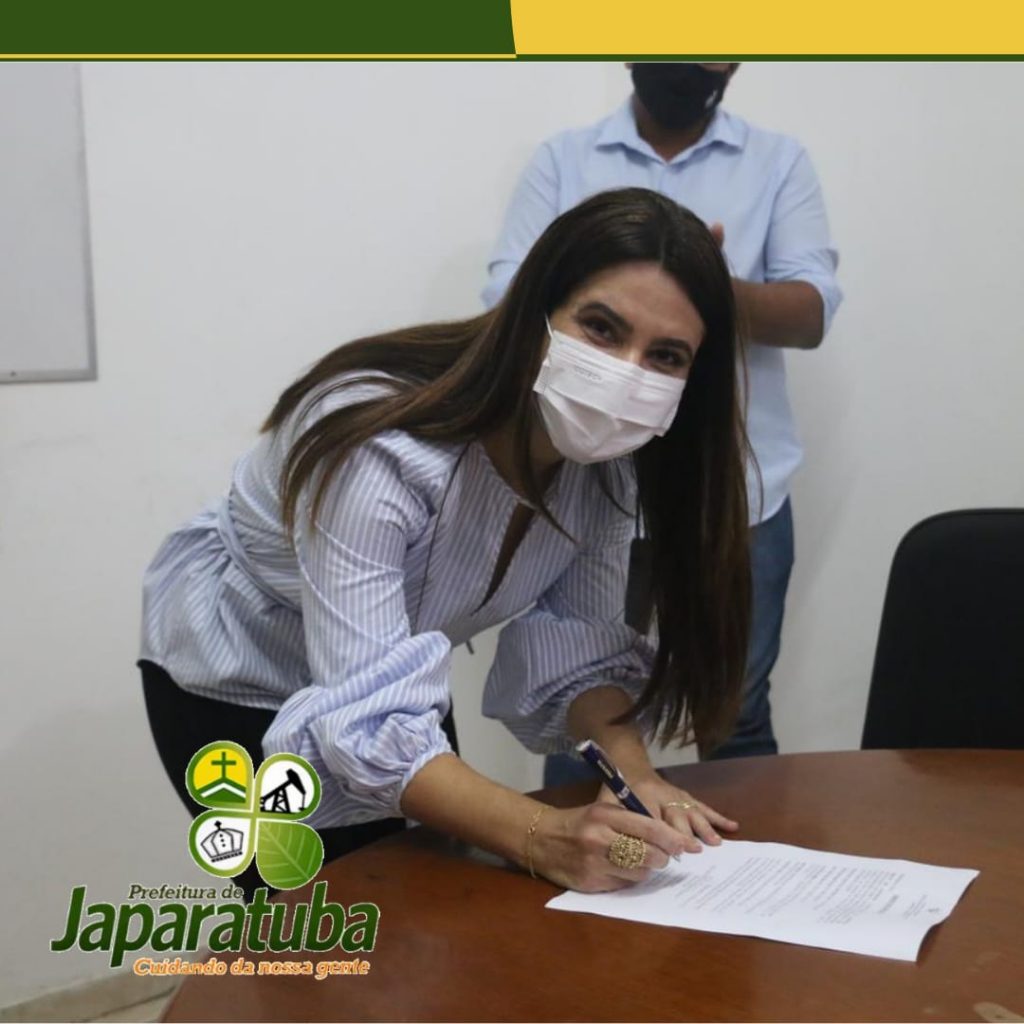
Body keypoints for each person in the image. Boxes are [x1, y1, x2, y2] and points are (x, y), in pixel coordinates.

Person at [140, 188, 751, 900]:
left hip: (383, 677)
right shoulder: (377, 447)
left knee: (434, 906)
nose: (626, 372)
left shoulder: (604, 473)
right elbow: (365, 720)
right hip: (239, 672)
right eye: (601, 328)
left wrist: (636, 777)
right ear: (535, 313)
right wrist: (543, 834)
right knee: (322, 915)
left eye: (666, 356)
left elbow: (577, 650)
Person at [482, 63, 842, 783]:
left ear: (734, 61)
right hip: (586, 483)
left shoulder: (778, 161)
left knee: (735, 712)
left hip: (735, 495)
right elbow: (505, 299)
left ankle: (750, 860)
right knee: (579, 711)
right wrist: (634, 276)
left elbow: (810, 311)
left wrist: (696, 283)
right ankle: (582, 848)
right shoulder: (564, 158)